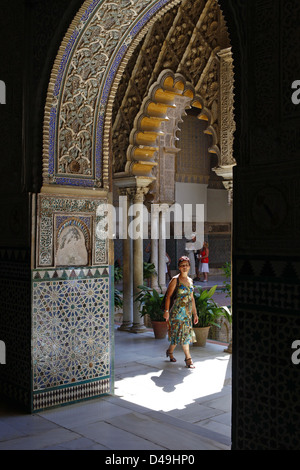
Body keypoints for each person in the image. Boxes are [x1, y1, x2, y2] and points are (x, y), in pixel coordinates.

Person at [163, 256, 198, 368]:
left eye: (187, 265)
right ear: (179, 267)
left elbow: (192, 298)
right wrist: (167, 311)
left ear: (189, 267)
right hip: (177, 313)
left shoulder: (190, 280)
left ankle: (170, 351)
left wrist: (195, 314)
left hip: (187, 314)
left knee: (180, 337)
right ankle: (188, 359)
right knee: (181, 336)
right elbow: (168, 297)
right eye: (182, 265)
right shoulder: (175, 280)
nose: (185, 267)